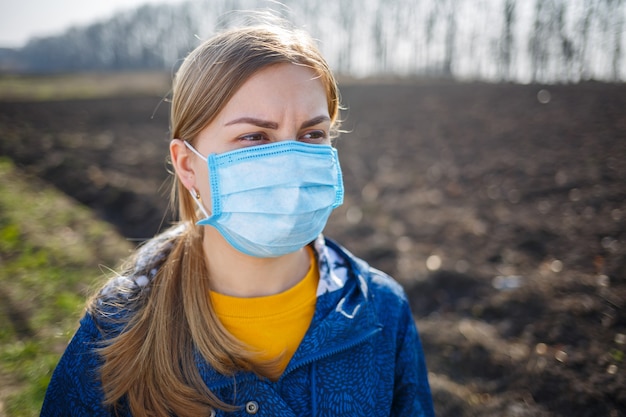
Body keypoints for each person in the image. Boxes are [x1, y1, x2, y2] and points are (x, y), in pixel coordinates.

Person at [40, 19, 435, 417]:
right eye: (254, 137)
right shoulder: (118, 330)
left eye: (313, 134)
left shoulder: (381, 310)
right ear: (187, 165)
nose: (290, 162)